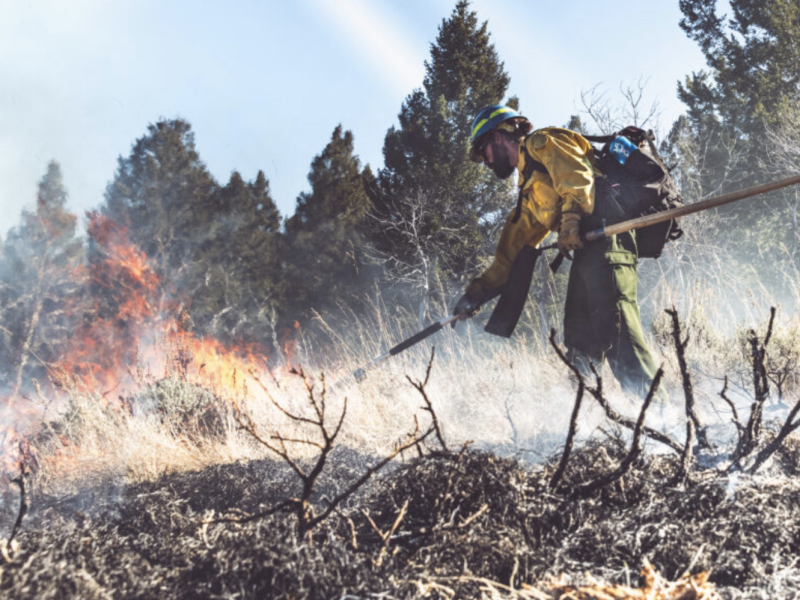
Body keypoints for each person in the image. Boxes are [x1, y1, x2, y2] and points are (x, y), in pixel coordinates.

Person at [453, 104, 664, 399]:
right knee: (580, 340)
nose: (484, 161)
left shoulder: (542, 142)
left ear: (498, 136)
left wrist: (570, 221)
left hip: (608, 236)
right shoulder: (530, 191)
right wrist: (476, 293)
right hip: (587, 252)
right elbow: (512, 252)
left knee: (617, 327)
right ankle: (586, 417)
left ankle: (660, 414)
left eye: (482, 150)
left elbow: (577, 178)